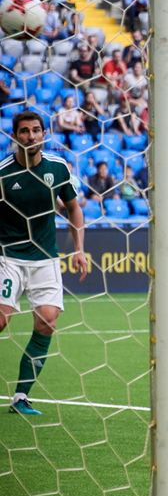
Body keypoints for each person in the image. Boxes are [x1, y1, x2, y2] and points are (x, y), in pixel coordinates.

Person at [1, 111, 87, 415]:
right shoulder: (2, 173)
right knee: (1, 320)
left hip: (45, 257)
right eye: (24, 131)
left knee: (48, 321)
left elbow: (75, 210)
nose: (31, 136)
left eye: (36, 130)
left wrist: (78, 249)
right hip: (7, 256)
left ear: (44, 134)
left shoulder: (58, 168)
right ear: (14, 137)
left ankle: (21, 397)